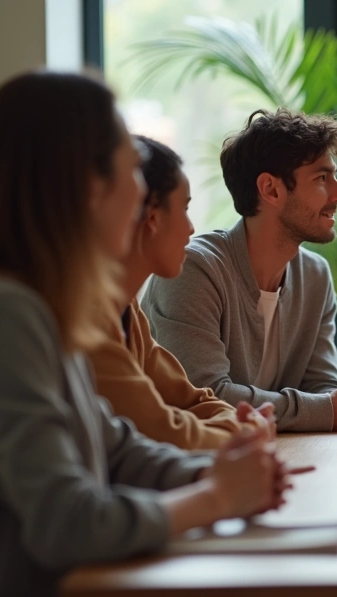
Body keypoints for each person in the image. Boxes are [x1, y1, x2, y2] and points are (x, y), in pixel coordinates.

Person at [0, 72, 301, 597]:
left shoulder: (37, 306)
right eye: (130, 173)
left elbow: (116, 450)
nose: (139, 196)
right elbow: (66, 522)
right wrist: (217, 495)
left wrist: (223, 471)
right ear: (87, 189)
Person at [142, 109, 337, 433]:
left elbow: (322, 386)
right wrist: (326, 408)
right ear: (270, 189)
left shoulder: (315, 276)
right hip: (190, 468)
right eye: (322, 178)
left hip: (277, 456)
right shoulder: (194, 271)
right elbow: (206, 398)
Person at [87, 135, 256, 450]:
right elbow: (163, 430)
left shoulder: (128, 313)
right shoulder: (87, 319)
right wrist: (242, 432)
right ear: (152, 216)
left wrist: (237, 425)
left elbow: (191, 399)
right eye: (185, 208)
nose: (191, 229)